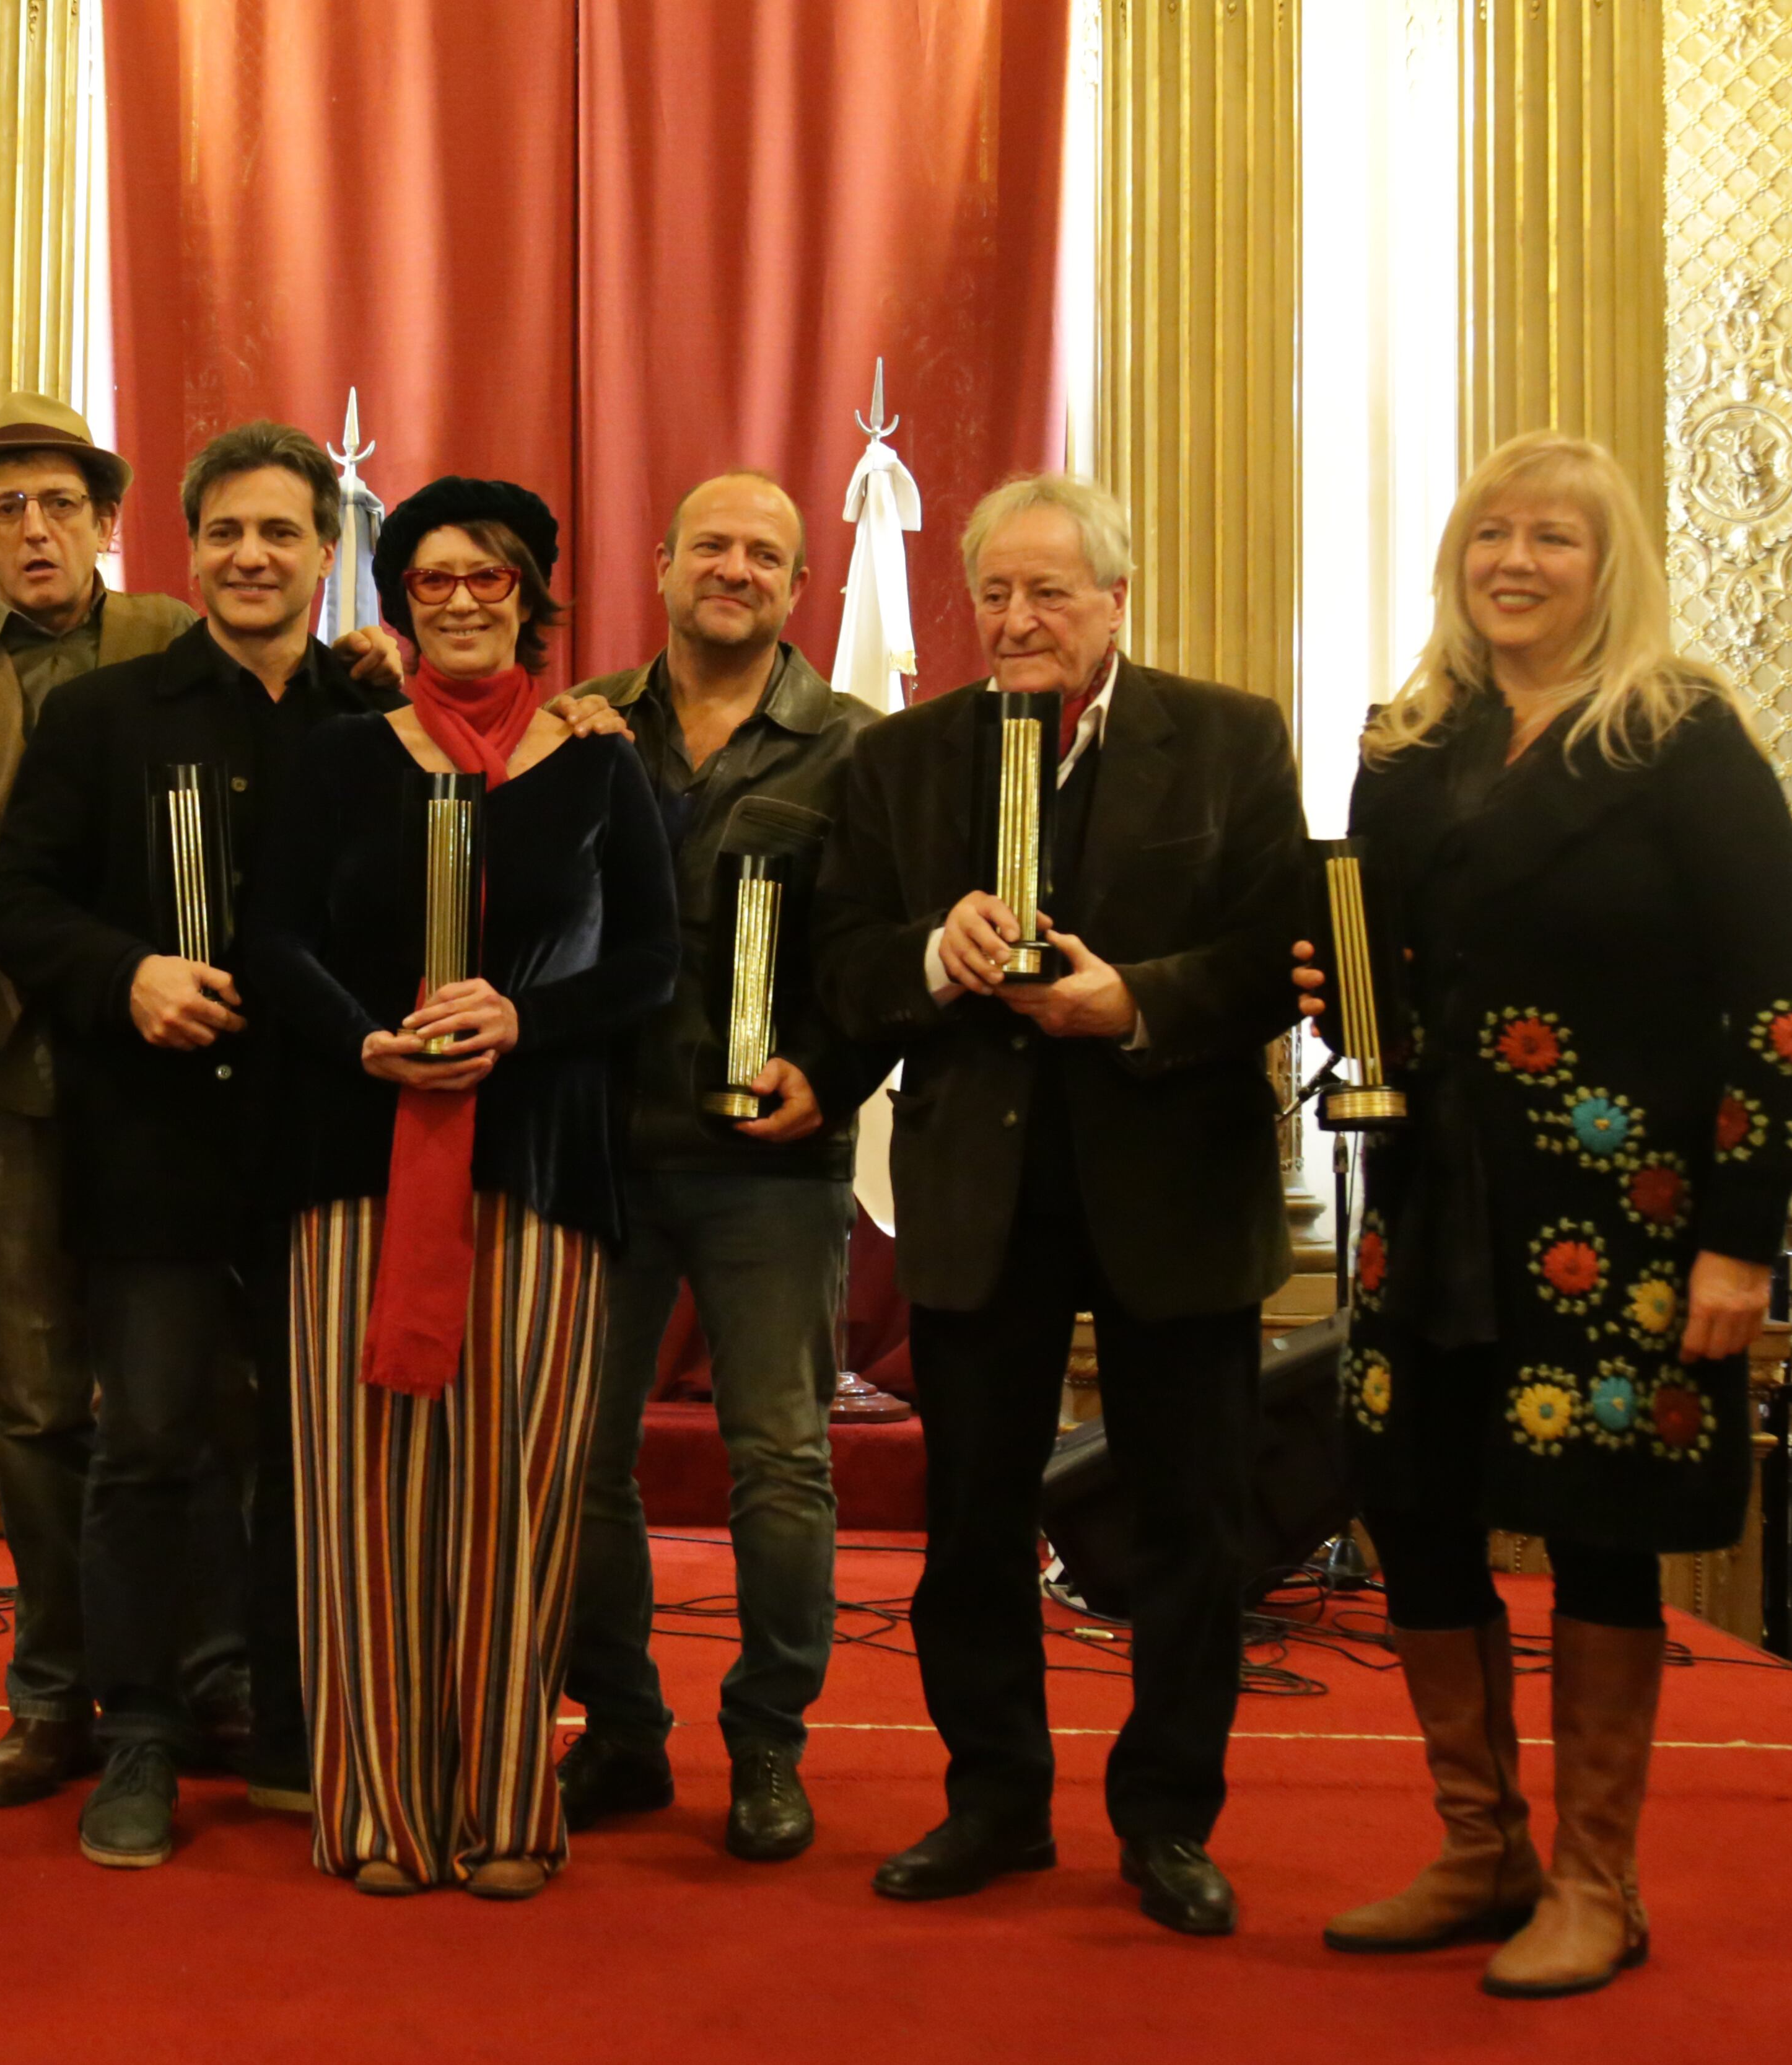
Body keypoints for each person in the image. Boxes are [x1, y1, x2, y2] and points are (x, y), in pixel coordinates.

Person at [1299, 434, 1792, 1997]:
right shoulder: (1405, 738)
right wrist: (1339, 995)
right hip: (1427, 1206)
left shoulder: (1683, 735)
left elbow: (1775, 1006)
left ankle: (1600, 1877)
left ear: (1612, 568)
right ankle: (1481, 1844)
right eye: (1489, 535)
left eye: (1554, 540)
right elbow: (1376, 968)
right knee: (1416, 1504)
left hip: (1622, 1219)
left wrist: (1739, 1236)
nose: (1513, 562)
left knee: (1598, 1531)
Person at [819, 473, 1305, 1936]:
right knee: (970, 1521)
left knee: (1191, 1527)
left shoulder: (1226, 738)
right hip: (980, 1196)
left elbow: (1279, 951)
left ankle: (1167, 1819)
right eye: (996, 595)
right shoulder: (901, 760)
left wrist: (1128, 1003)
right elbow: (837, 967)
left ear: (1114, 599)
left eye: (1050, 593)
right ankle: (993, 1801)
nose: (1018, 619)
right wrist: (925, 950)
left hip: (1174, 1185)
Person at [0, 421, 404, 1866]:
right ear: (187, 547)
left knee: (308, 1448)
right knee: (147, 1442)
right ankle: (141, 1728)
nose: (251, 556)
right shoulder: (105, 717)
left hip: (325, 1154)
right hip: (151, 1145)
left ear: (324, 552)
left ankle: (292, 1718)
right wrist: (127, 975)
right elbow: (16, 904)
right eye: (224, 531)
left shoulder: (370, 727)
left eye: (281, 531)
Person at [252, 475, 678, 1898]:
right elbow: (274, 939)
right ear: (396, 597)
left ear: (529, 593)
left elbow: (650, 966)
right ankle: (373, 1803)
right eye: (430, 576)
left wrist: (525, 1022)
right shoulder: (337, 756)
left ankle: (506, 1801)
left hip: (543, 1168)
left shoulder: (599, 762)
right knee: (362, 1500)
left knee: (519, 1493)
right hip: (357, 1167)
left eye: (486, 575)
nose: (457, 597)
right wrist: (360, 1040)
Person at [0, 393, 224, 1805]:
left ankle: (203, 1678)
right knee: (35, 1413)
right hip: (4, 1073)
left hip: (160, 1077)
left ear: (104, 522)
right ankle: (51, 1690)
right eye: (8, 508)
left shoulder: (172, 642)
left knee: (181, 1398)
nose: (35, 528)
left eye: (60, 504)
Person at [559, 471, 883, 1864]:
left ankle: (767, 1741)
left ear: (799, 587)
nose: (733, 568)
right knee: (577, 1458)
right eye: (711, 545)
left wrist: (841, 1071)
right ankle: (623, 1729)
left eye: (763, 552)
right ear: (662, 560)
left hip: (772, 1163)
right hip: (596, 1150)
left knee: (781, 1462)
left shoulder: (857, 749)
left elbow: (883, 952)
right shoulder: (576, 727)